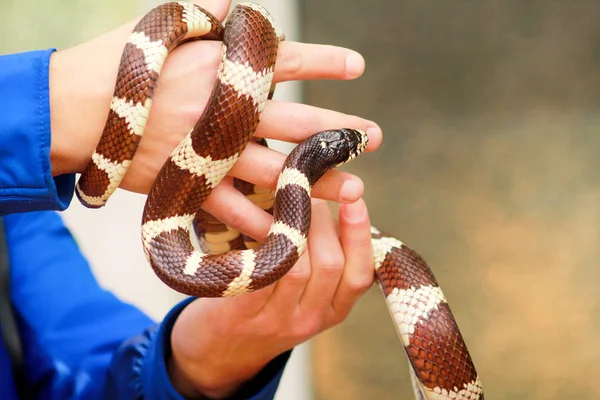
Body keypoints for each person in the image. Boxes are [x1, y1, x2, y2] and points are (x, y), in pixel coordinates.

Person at [0, 0, 383, 398]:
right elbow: (89, 189)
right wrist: (51, 113)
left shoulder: (14, 224)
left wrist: (192, 368)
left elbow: (76, 363)